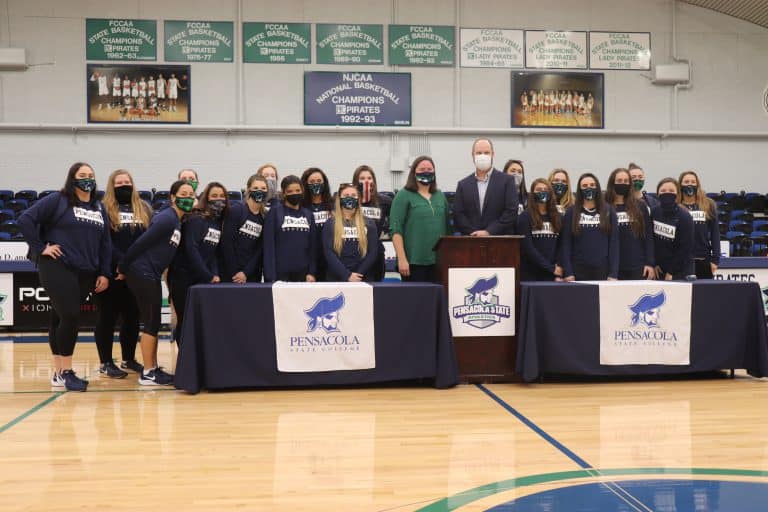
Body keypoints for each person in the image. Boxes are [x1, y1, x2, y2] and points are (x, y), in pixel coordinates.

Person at [18, 162, 111, 392]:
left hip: (86, 270)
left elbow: (105, 243)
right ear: (72, 178)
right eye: (82, 175)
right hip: (57, 265)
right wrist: (41, 248)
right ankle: (66, 372)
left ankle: (58, 373)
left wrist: (104, 272)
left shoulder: (99, 207)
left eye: (90, 175)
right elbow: (25, 219)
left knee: (59, 318)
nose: (87, 178)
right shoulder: (58, 200)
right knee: (70, 316)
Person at [118, 180, 195, 386]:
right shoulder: (167, 218)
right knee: (151, 322)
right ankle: (148, 372)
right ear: (173, 197)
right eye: (183, 194)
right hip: (142, 272)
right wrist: (123, 266)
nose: (188, 198)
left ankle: (152, 367)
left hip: (151, 273)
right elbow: (141, 242)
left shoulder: (177, 220)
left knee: (153, 322)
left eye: (191, 194)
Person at [94, 169, 152, 378]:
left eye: (127, 182)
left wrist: (132, 266)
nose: (123, 185)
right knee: (106, 318)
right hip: (111, 272)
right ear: (112, 186)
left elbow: (148, 240)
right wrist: (121, 265)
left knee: (132, 317)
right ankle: (106, 362)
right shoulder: (102, 208)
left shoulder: (144, 208)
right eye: (119, 183)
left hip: (135, 272)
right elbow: (104, 242)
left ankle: (128, 359)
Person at [168, 182, 227, 346]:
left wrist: (214, 274)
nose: (218, 199)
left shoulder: (217, 223)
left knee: (201, 321)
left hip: (202, 279)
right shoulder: (196, 219)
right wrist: (207, 275)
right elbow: (191, 249)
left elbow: (213, 252)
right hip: (183, 277)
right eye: (214, 196)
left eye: (222, 196)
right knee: (185, 320)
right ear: (205, 198)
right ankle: (184, 358)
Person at [389, 156, 451, 282]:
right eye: (422, 169)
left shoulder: (440, 196)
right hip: (413, 263)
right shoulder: (403, 195)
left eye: (429, 169)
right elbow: (396, 230)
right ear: (414, 172)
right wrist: (402, 259)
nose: (426, 172)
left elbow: (447, 230)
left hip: (439, 262)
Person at [452, 138, 519, 236]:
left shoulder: (507, 181)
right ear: (473, 155)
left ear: (493, 154)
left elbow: (511, 212)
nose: (482, 156)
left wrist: (489, 231)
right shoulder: (463, 185)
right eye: (479, 153)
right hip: (471, 240)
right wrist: (474, 233)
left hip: (500, 240)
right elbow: (458, 214)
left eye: (486, 153)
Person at [561, 173, 619, 281]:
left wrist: (613, 273)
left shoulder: (609, 211)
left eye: (592, 185)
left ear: (597, 187)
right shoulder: (571, 212)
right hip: (577, 272)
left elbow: (614, 244)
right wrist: (568, 272)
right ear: (579, 189)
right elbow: (566, 244)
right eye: (585, 186)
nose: (589, 188)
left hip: (603, 271)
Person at [263, 175, 318, 282]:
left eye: (297, 190)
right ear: (283, 193)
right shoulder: (275, 212)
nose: (294, 194)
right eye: (290, 191)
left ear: (302, 191)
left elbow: (313, 247)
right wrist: (270, 276)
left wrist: (312, 272)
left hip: (303, 274)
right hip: (280, 275)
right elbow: (269, 246)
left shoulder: (308, 214)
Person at [605, 168, 655, 280]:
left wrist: (649, 263)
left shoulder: (640, 206)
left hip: (638, 266)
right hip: (612, 268)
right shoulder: (605, 207)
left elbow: (648, 237)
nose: (623, 183)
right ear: (612, 183)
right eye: (619, 181)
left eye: (626, 181)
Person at [322, 183, 378, 281]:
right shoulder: (330, 223)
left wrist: (358, 274)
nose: (350, 198)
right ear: (339, 199)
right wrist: (347, 275)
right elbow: (328, 252)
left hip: (362, 278)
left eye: (353, 195)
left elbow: (373, 252)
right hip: (337, 277)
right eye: (346, 195)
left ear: (358, 199)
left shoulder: (369, 223)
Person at [220, 174, 268, 283]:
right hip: (231, 273)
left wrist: (246, 272)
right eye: (256, 188)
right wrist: (236, 273)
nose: (259, 191)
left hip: (250, 274)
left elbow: (259, 249)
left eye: (263, 188)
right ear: (248, 189)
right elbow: (227, 243)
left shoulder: (264, 216)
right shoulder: (237, 210)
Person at [516, 179, 562, 281]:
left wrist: (556, 269)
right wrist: (550, 268)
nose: (542, 192)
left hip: (552, 274)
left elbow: (560, 245)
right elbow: (528, 248)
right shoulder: (524, 217)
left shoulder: (557, 217)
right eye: (539, 189)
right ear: (532, 193)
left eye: (546, 189)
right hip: (531, 274)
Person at [352, 164, 391, 281]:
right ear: (356, 181)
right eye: (362, 178)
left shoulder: (384, 201)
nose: (366, 181)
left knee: (376, 287)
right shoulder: (350, 200)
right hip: (354, 251)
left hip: (376, 252)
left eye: (369, 178)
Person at [678, 170, 720, 279]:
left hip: (703, 260)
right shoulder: (675, 206)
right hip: (681, 262)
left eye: (693, 182)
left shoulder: (708, 204)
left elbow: (715, 233)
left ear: (698, 184)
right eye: (686, 182)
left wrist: (715, 260)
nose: (690, 184)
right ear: (680, 185)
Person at [652, 178, 694, 280]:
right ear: (657, 193)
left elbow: (685, 248)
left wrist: (671, 271)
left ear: (677, 194)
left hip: (679, 271)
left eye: (671, 191)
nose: (667, 193)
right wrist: (654, 263)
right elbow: (651, 241)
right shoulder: (654, 212)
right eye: (663, 191)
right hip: (658, 270)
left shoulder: (685, 216)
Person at [302, 167, 334, 281]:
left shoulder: (333, 205)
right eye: (312, 181)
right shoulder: (301, 206)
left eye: (319, 181)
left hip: (330, 259)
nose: (316, 184)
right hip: (308, 259)